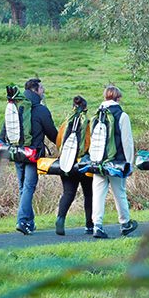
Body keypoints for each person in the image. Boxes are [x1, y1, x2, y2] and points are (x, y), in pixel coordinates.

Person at [0, 78, 57, 235]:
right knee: (29, 187)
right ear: (35, 90)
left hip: (16, 153)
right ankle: (22, 221)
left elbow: (5, 129)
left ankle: (29, 222)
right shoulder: (41, 109)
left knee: (23, 187)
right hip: (33, 154)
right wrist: (63, 145)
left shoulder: (16, 106)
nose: (43, 91)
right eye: (42, 88)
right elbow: (52, 133)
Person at [91, 85, 138, 239]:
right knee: (119, 193)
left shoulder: (97, 114)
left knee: (98, 194)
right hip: (116, 162)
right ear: (118, 98)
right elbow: (127, 141)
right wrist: (129, 163)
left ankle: (97, 226)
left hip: (98, 161)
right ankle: (125, 223)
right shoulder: (122, 115)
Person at [54, 96, 94, 236]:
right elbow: (91, 144)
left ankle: (60, 218)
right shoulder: (88, 124)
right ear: (86, 108)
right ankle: (89, 224)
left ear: (73, 107)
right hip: (83, 164)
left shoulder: (65, 124)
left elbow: (59, 142)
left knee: (68, 193)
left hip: (66, 162)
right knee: (89, 194)